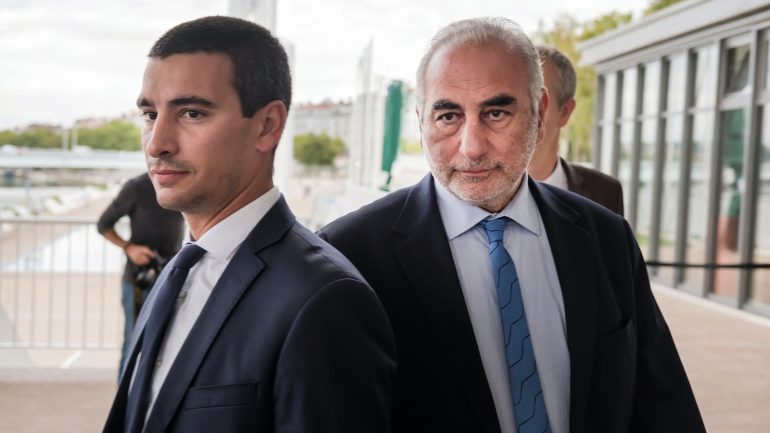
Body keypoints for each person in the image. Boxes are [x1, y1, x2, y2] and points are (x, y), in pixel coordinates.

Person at [320, 17, 705, 433]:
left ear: (541, 114)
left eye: (496, 112)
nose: (471, 146)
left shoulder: (606, 238)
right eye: (448, 116)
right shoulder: (349, 254)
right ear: (421, 121)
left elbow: (663, 406)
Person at [102, 16, 395, 433]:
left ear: (267, 125)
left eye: (191, 112)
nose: (157, 143)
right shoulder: (177, 271)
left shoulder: (325, 301)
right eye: (150, 114)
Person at [97, 172, 185, 372]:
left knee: (167, 343)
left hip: (173, 278)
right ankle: (126, 402)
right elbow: (103, 225)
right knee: (133, 342)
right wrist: (129, 248)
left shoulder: (182, 183)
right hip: (139, 280)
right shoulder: (136, 187)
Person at [529, 45, 624, 215]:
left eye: (536, 99)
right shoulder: (475, 188)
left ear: (565, 112)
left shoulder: (605, 193)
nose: (523, 109)